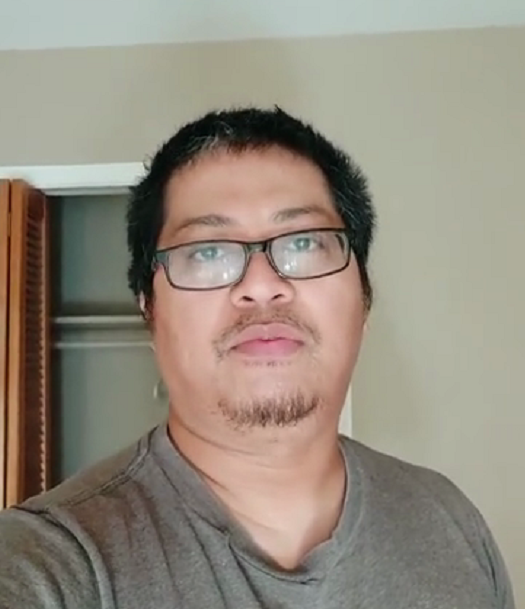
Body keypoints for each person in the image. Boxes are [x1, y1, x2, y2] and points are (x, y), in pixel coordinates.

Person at [0, 107, 515, 609]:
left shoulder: (449, 521)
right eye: (207, 251)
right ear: (149, 311)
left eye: (305, 242)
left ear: (364, 299)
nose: (263, 285)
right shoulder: (49, 562)